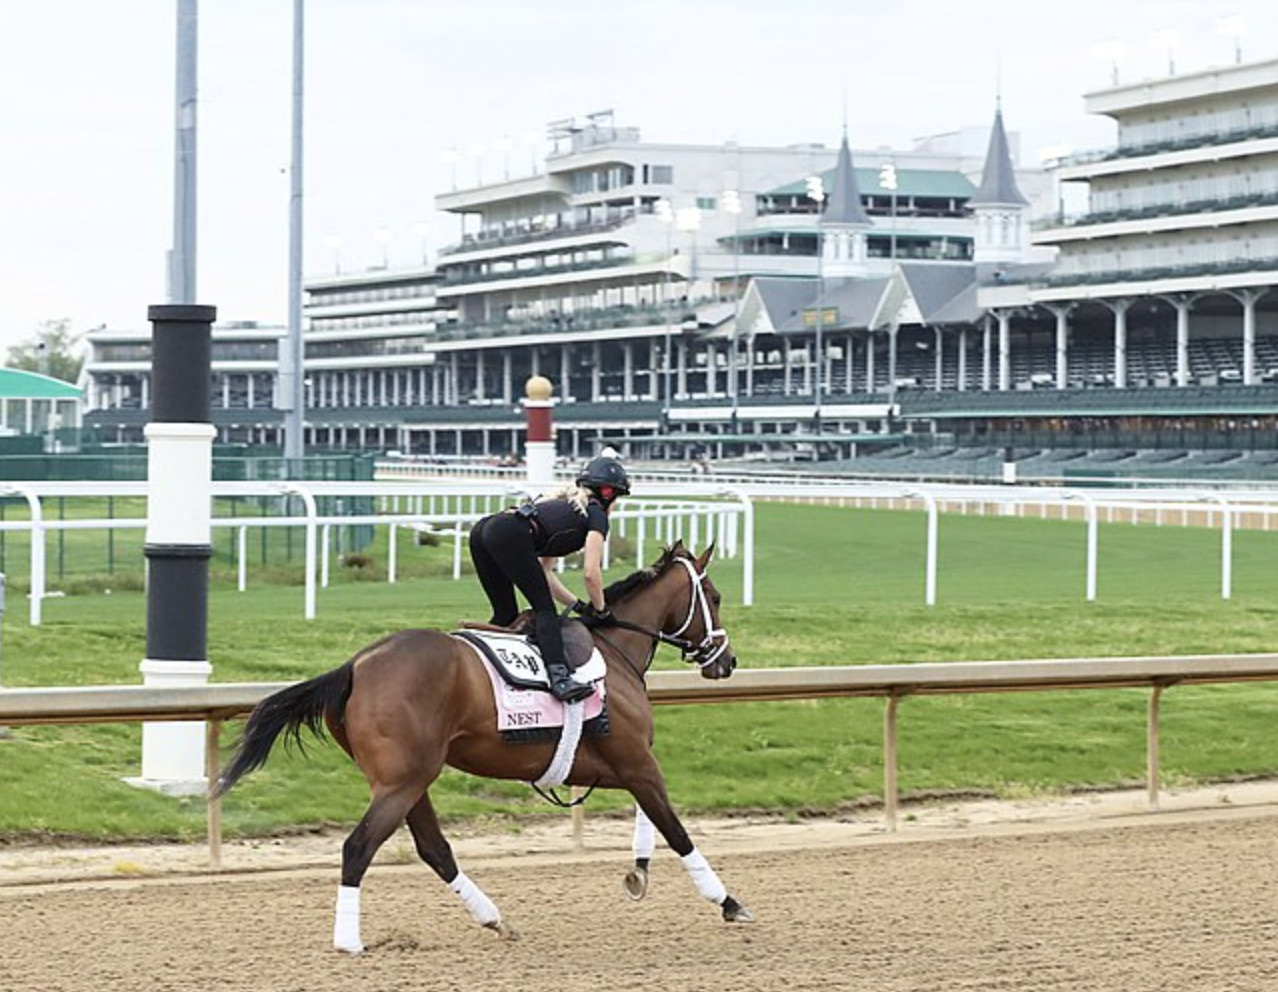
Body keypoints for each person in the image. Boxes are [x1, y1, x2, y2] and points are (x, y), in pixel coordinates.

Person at [468, 454, 630, 703]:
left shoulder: (564, 506)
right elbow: (591, 573)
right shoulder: (596, 514)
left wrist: (577, 605)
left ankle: (482, 670)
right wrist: (601, 610)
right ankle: (560, 679)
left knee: (506, 615)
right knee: (545, 611)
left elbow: (544, 573)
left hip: (484, 529)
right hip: (507, 533)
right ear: (609, 493)